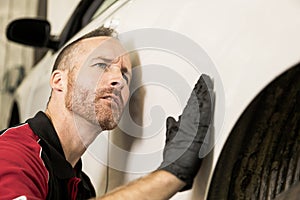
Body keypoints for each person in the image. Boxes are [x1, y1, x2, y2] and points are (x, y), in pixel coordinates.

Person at [0, 26, 213, 200]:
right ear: (59, 81)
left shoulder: (81, 188)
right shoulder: (13, 153)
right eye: (101, 65)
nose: (118, 80)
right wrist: (169, 176)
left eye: (125, 75)